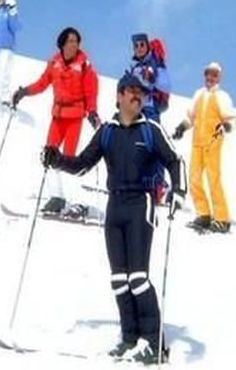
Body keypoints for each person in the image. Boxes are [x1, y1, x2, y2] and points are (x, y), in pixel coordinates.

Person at [41, 72, 186, 364]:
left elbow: (174, 160)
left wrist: (178, 192)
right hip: (115, 206)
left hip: (140, 204)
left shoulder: (151, 129)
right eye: (132, 91)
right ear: (119, 95)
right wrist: (56, 159)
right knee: (120, 279)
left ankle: (154, 344)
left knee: (138, 278)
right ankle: (130, 338)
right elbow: (82, 164)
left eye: (141, 93)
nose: (138, 97)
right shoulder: (107, 131)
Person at [13, 27, 100, 215]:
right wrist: (24, 92)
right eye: (70, 41)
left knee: (69, 158)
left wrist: (92, 112)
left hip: (75, 116)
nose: (74, 44)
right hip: (58, 116)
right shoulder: (55, 62)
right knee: (49, 155)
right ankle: (57, 197)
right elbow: (42, 83)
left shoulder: (85, 64)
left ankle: (78, 203)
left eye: (76, 41)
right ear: (62, 43)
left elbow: (91, 90)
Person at [172, 62, 236, 233]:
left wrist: (227, 126)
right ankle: (204, 214)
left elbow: (230, 118)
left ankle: (222, 218)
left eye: (214, 75)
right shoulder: (198, 95)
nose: (210, 78)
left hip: (213, 142)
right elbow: (191, 118)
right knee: (194, 178)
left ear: (219, 78)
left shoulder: (222, 97)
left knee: (213, 179)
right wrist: (182, 128)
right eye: (208, 74)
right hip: (197, 144)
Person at [129, 33, 171, 203]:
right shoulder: (136, 67)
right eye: (136, 46)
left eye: (141, 45)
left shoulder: (156, 65)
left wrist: (153, 77)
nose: (138, 48)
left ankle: (159, 186)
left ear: (147, 47)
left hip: (150, 110)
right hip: (134, 111)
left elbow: (166, 85)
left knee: (154, 147)